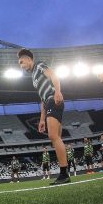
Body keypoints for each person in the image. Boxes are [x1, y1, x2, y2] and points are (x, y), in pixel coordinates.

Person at [18, 49, 70, 185]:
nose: (21, 65)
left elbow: (54, 75)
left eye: (21, 62)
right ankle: (64, 173)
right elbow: (42, 99)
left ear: (29, 59)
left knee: (53, 136)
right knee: (56, 137)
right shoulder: (33, 76)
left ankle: (64, 173)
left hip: (54, 99)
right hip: (49, 101)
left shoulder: (39, 65)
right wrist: (42, 119)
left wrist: (58, 91)